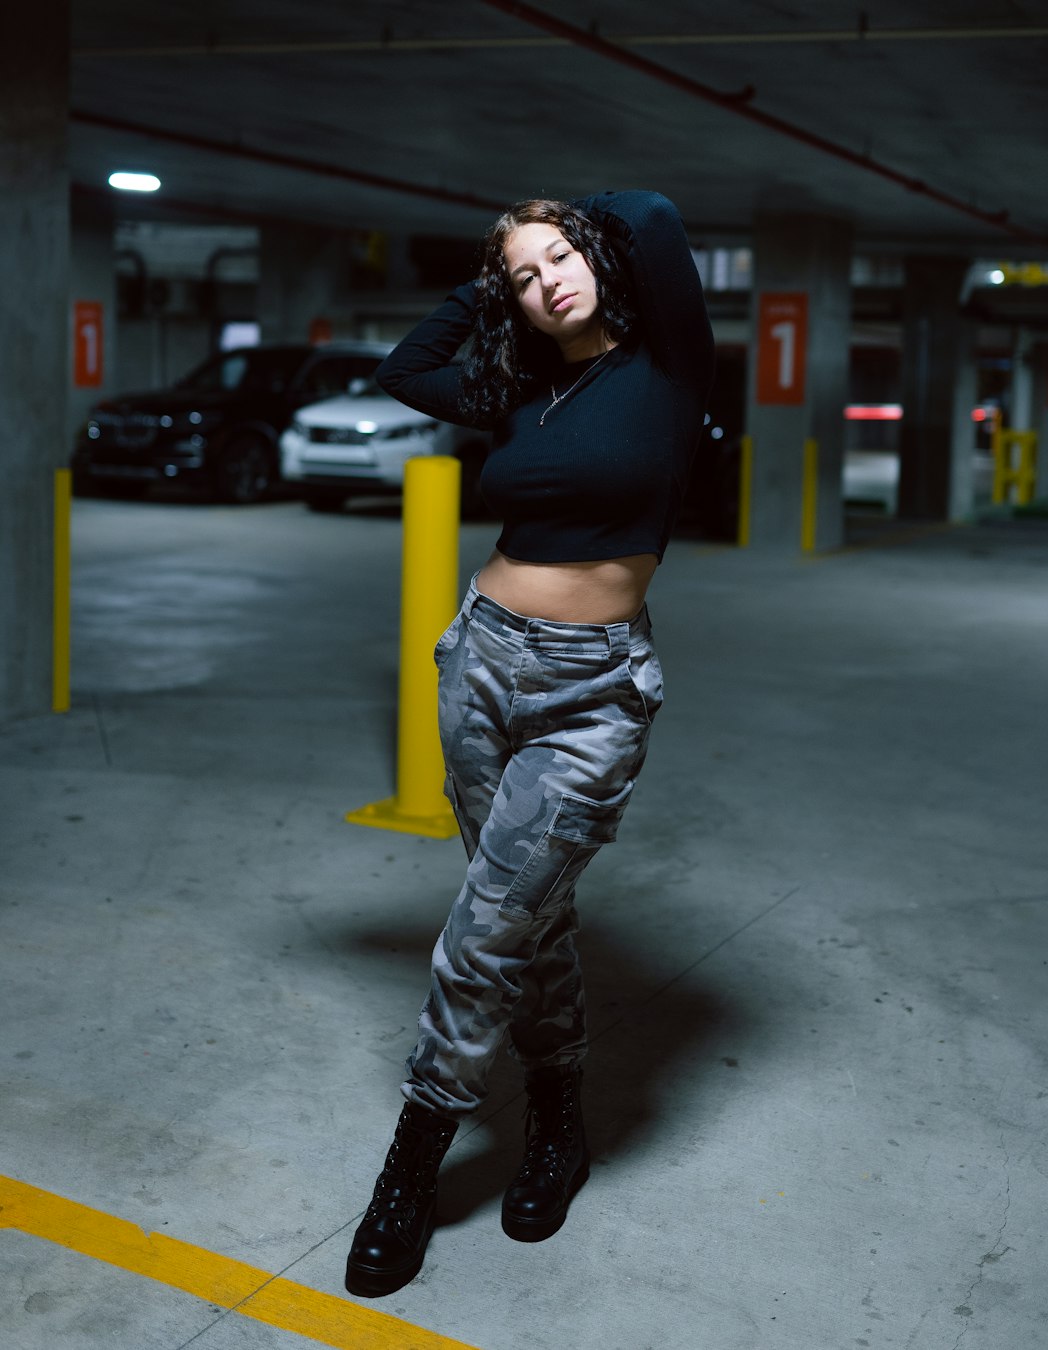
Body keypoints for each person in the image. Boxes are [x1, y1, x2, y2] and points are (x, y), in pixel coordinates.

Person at [344, 189, 714, 1298]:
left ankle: (411, 1167)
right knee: (524, 915)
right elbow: (405, 373)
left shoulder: (670, 366)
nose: (548, 278)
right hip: (481, 662)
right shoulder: (515, 386)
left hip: (593, 692)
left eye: (562, 258)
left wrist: (554, 222)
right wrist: (488, 280)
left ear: (597, 256)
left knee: (487, 926)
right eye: (525, 276)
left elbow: (653, 212)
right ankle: (559, 1117)